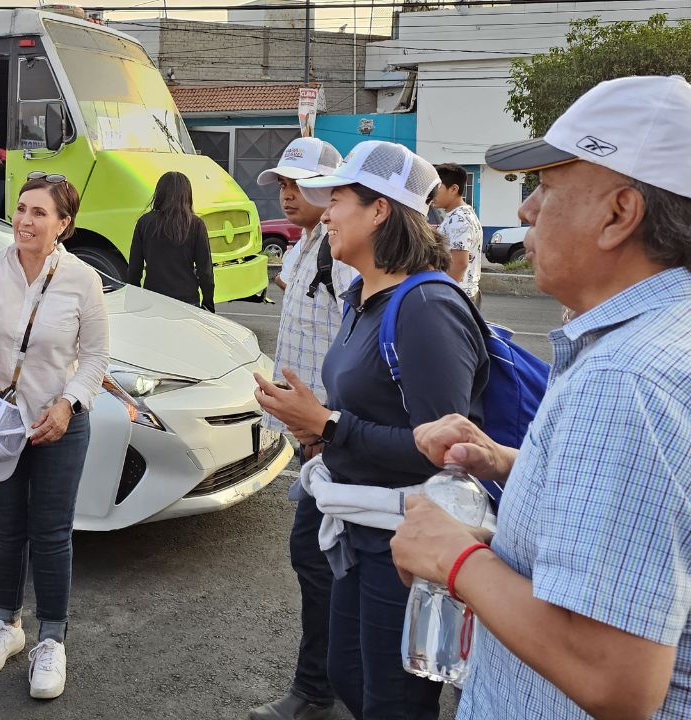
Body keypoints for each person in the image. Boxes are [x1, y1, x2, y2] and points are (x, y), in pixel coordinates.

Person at [393, 75, 691, 720]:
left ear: (619, 214)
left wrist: (454, 558)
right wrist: (509, 462)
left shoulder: (625, 379)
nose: (526, 210)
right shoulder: (664, 338)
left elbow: (616, 675)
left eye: (548, 187)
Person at [257, 140, 489, 720]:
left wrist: (329, 425)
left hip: (405, 540)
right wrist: (318, 428)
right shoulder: (361, 295)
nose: (326, 211)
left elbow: (446, 454)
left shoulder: (427, 306)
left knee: (391, 700)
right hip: (357, 523)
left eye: (337, 198)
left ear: (380, 209)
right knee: (347, 674)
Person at [0, 173, 108, 701]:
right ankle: (6, 625)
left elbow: (95, 358)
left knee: (50, 533)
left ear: (64, 225)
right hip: (2, 422)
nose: (25, 220)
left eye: (39, 213)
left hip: (58, 424)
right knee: (4, 529)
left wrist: (70, 404)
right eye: (21, 209)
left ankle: (51, 638)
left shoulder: (81, 280)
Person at [248, 136, 355, 720]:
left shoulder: (341, 253)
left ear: (332, 189)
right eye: (283, 185)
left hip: (330, 435)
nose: (288, 195)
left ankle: (323, 690)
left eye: (298, 184)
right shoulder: (307, 245)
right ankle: (326, 686)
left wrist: (325, 424)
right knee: (319, 562)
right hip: (309, 433)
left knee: (322, 562)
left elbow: (353, 346)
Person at [127, 171, 215, 312]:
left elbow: (134, 269)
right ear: (187, 195)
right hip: (187, 301)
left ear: (160, 193)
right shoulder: (196, 224)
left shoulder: (145, 222)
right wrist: (208, 304)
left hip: (153, 299)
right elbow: (205, 272)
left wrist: (132, 300)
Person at [433, 163, 483, 306]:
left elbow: (460, 264)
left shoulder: (459, 219)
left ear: (454, 189)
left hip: (458, 296)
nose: (433, 193)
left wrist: (442, 293)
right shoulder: (461, 214)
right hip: (464, 293)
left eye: (437, 188)